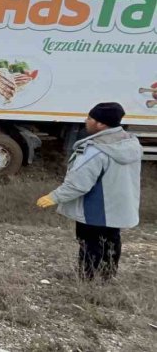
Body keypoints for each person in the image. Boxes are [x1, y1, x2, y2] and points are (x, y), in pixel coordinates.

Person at [36, 102, 142, 281]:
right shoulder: (130, 144)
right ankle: (107, 277)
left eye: (90, 118)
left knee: (90, 244)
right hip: (118, 207)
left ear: (101, 124)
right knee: (111, 241)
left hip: (95, 209)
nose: (86, 121)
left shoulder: (95, 150)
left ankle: (87, 280)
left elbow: (79, 184)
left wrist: (54, 197)